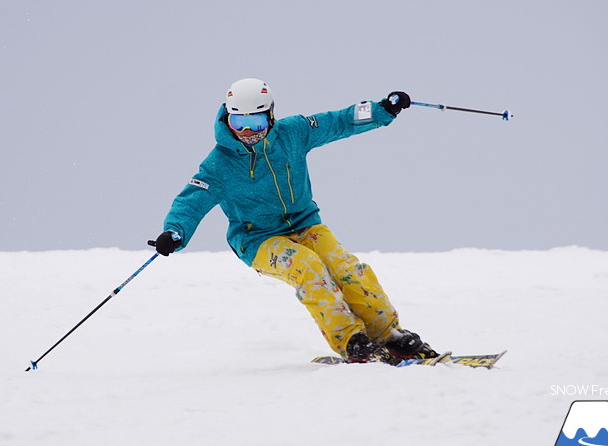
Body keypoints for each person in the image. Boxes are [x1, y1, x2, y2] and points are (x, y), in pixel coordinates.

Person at [150, 78, 438, 365]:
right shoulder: (220, 163)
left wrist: (383, 109)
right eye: (239, 122)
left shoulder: (293, 133)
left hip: (306, 224)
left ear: (271, 116)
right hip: (258, 239)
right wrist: (174, 232)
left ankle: (389, 335)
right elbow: (191, 200)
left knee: (346, 268)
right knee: (308, 267)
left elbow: (338, 121)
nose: (248, 132)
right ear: (227, 117)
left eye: (257, 121)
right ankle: (351, 341)